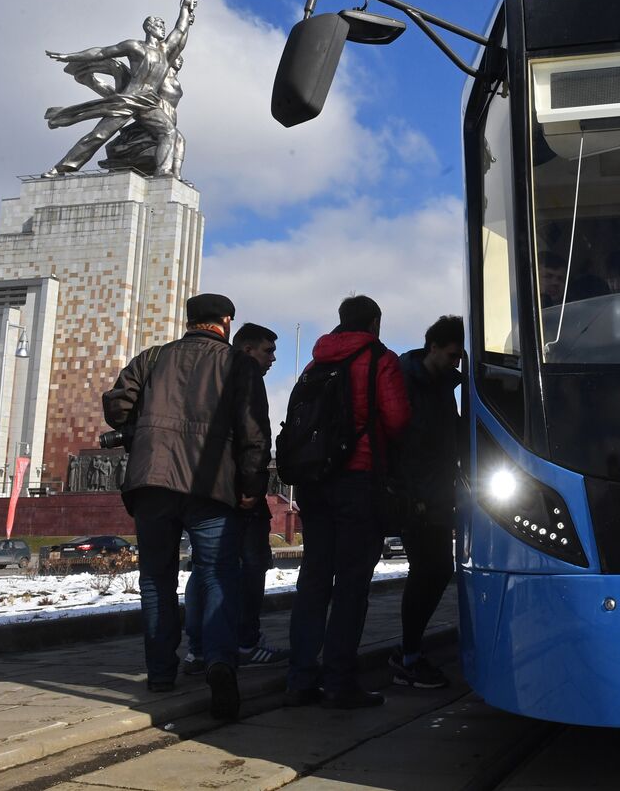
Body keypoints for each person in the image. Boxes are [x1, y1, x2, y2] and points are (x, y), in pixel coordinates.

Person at [103, 293, 270, 721]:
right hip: (210, 486)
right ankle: (218, 661)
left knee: (156, 580)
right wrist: (251, 486)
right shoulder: (240, 365)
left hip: (152, 482)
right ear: (226, 321)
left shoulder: (152, 358)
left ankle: (160, 673)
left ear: (190, 320)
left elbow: (116, 405)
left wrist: (143, 424)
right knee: (217, 575)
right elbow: (254, 433)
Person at [287, 296, 411, 709]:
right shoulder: (380, 359)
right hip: (358, 479)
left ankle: (301, 677)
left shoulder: (315, 362)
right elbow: (396, 421)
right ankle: (340, 681)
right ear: (374, 322)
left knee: (314, 578)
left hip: (315, 481)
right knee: (352, 584)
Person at [182, 323, 286, 675]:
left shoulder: (205, 380)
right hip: (238, 490)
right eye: (267, 350)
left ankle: (199, 648)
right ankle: (244, 642)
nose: (273, 358)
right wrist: (253, 487)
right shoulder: (246, 377)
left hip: (205, 488)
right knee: (251, 567)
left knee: (205, 570)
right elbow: (254, 436)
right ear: (246, 350)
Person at [44, 0, 199, 177]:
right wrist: (71, 56)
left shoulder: (165, 53)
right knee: (99, 135)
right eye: (158, 25)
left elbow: (181, 30)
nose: (162, 28)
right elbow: (102, 51)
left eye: (163, 26)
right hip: (129, 98)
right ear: (149, 27)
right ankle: (59, 168)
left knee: (169, 132)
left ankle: (164, 172)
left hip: (149, 103)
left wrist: (186, 8)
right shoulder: (135, 47)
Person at [387, 315, 464, 689]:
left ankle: (408, 651)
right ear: (432, 346)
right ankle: (408, 657)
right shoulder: (406, 380)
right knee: (429, 570)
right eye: (451, 355)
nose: (456, 363)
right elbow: (404, 444)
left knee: (435, 571)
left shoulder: (441, 384)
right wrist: (410, 495)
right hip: (416, 496)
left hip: (436, 494)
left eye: (459, 358)